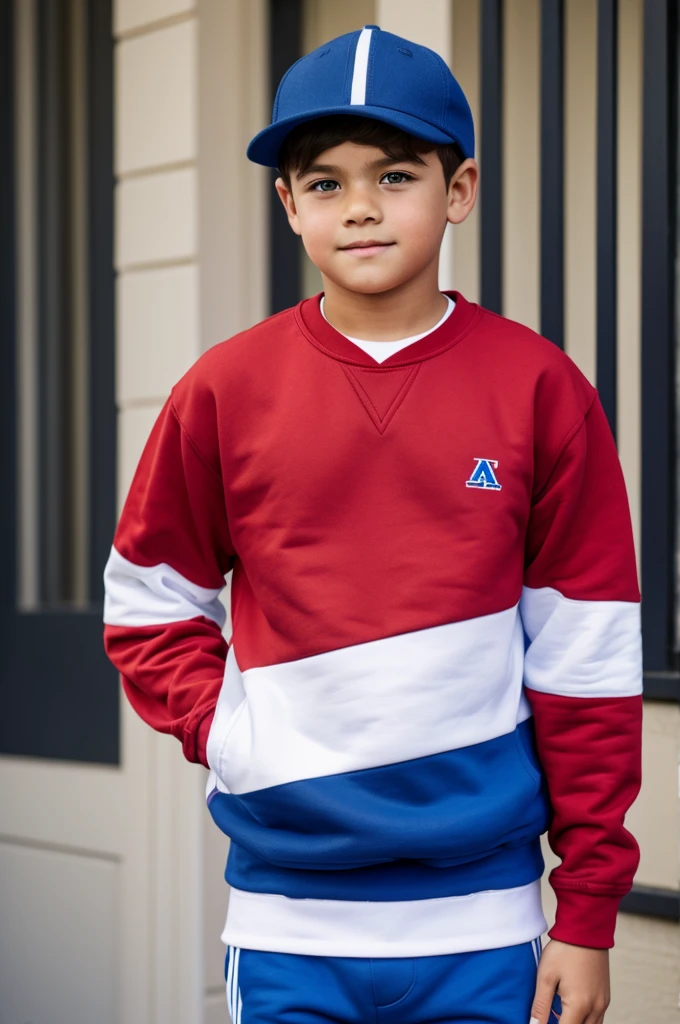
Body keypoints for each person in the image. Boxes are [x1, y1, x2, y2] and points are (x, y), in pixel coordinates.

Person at [103, 24, 643, 1024]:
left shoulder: (538, 388)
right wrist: (232, 731)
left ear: (459, 190)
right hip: (286, 927)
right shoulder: (225, 390)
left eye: (394, 174)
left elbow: (586, 657)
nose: (358, 207)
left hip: (485, 929)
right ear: (287, 205)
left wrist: (586, 911)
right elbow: (147, 604)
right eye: (323, 183)